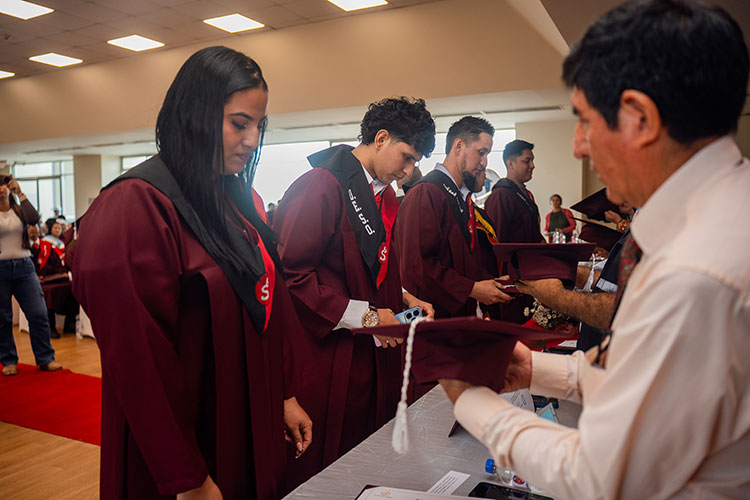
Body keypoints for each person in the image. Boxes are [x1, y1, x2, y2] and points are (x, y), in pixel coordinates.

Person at [439, 1, 750, 498]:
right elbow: (654, 379)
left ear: (641, 119)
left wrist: (471, 401)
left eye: (585, 122)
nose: (578, 147)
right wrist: (536, 370)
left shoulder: (696, 271)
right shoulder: (720, 213)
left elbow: (600, 475)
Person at [69, 46, 312, 500]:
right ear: (195, 115)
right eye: (239, 123)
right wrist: (188, 477)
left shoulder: (233, 199)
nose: (252, 140)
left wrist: (282, 394)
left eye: (259, 126)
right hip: (185, 445)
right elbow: (138, 359)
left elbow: (262, 302)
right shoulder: (135, 205)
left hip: (245, 421)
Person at [272, 96, 436, 487]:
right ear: (381, 138)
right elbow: (290, 278)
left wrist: (404, 297)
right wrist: (366, 316)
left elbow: (370, 267)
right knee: (329, 472)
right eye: (407, 158)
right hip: (331, 360)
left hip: (373, 359)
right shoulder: (320, 186)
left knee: (369, 465)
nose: (409, 172)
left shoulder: (384, 196)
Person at [395, 116, 513, 321]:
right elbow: (418, 266)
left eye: (487, 154)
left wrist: (492, 284)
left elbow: (463, 262)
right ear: (458, 146)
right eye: (481, 152)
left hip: (461, 317)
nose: (485, 162)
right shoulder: (426, 192)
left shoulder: (462, 198)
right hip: (432, 319)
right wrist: (472, 289)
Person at [0, 175, 61, 376]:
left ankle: (45, 358)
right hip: (1, 268)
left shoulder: (18, 210)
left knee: (38, 313)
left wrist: (20, 193)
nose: (1, 189)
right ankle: (9, 361)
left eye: (4, 185)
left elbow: (34, 218)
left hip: (24, 266)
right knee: (3, 318)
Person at [485, 139, 545, 244]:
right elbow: (496, 241)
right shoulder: (501, 195)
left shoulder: (526, 194)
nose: (532, 165)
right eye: (527, 161)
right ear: (511, 164)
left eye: (532, 161)